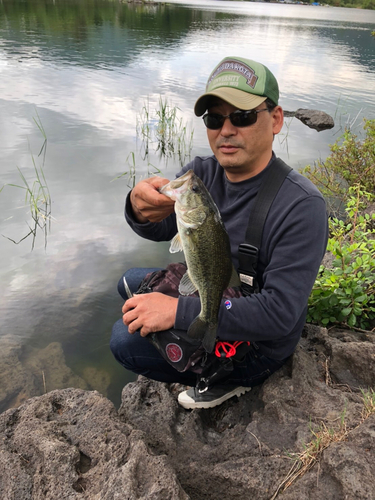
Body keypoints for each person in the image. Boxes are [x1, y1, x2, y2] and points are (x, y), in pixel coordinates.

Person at [110, 56, 328, 409]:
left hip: (261, 341)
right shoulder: (200, 175)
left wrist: (177, 312)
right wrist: (138, 207)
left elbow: (280, 313)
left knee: (123, 338)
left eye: (242, 117)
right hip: (218, 287)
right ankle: (201, 337)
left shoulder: (302, 206)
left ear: (275, 120)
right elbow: (163, 226)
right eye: (214, 118)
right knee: (127, 282)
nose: (225, 130)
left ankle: (230, 379)